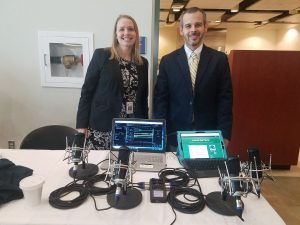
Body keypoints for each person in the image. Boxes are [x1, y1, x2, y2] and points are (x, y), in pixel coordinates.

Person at [154, 7, 233, 150]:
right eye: (188, 26)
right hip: (175, 138)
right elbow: (160, 101)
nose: (193, 30)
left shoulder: (219, 60)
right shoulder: (168, 61)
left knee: (207, 173)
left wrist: (225, 134)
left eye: (198, 25)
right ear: (181, 30)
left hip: (210, 137)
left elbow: (225, 100)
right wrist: (160, 132)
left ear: (205, 27)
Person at [76, 15, 148, 150]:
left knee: (126, 165)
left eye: (130, 29)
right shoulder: (102, 55)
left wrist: (144, 126)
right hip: (102, 125)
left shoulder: (143, 63)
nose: (126, 33)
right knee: (100, 166)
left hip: (131, 126)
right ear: (116, 34)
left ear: (136, 34)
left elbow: (143, 98)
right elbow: (87, 91)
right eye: (122, 29)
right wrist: (81, 125)